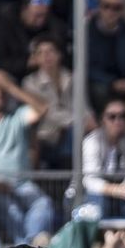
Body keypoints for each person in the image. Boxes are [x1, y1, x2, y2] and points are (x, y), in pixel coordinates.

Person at [0, 72, 55, 246]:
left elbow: (43, 108)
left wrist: (11, 87)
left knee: (44, 203)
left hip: (21, 184)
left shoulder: (17, 116)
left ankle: (30, 243)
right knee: (11, 210)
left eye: (1, 89)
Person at [81, 101, 125, 219]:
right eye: (112, 117)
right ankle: (100, 235)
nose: (118, 121)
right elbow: (90, 181)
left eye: (123, 116)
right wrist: (114, 189)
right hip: (92, 193)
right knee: (97, 200)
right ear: (103, 120)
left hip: (122, 191)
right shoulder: (92, 142)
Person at [23, 35, 81, 170]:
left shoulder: (72, 78)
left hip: (72, 134)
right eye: (41, 53)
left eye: (50, 51)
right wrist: (75, 121)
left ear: (59, 54)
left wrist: (89, 120)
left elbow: (84, 106)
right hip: (45, 136)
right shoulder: (30, 82)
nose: (46, 56)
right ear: (35, 59)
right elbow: (49, 112)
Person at [86, 0, 125, 113]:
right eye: (106, 6)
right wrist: (112, 82)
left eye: (116, 8)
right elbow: (87, 67)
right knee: (98, 89)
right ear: (99, 9)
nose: (111, 12)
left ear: (121, 11)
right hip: (101, 80)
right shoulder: (88, 33)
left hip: (124, 79)